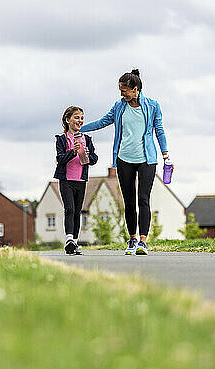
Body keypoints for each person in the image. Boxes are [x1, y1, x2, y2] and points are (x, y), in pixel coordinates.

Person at [80, 69, 169, 255]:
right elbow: (102, 122)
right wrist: (78, 129)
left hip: (147, 159)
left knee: (143, 199)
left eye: (124, 91)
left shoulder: (152, 106)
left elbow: (159, 130)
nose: (122, 94)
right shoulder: (119, 107)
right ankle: (132, 239)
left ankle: (143, 242)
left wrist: (165, 154)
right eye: (120, 91)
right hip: (123, 159)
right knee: (129, 202)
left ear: (135, 89)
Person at [54, 106, 98, 255]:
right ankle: (69, 239)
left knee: (77, 211)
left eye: (81, 118)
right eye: (76, 117)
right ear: (67, 120)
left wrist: (87, 155)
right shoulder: (61, 139)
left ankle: (75, 243)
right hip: (66, 179)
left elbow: (94, 159)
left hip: (81, 180)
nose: (80, 120)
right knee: (70, 209)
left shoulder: (87, 139)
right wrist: (73, 152)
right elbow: (60, 159)